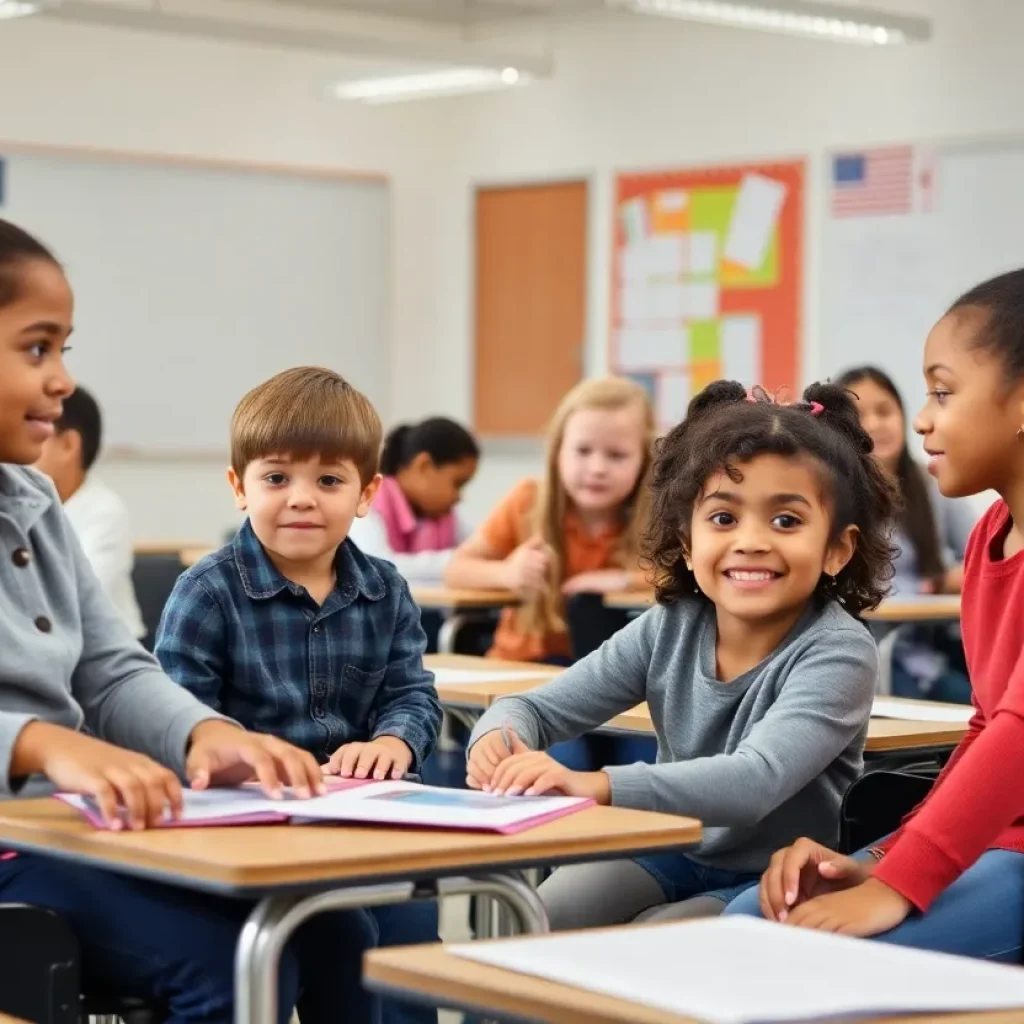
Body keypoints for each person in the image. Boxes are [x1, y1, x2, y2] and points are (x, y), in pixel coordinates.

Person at [0, 216, 373, 1023]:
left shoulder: (34, 503)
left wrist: (207, 736)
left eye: (65, 348)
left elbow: (110, 669)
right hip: (16, 849)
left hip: (65, 830)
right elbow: (58, 723)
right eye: (37, 349)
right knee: (227, 962)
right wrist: (37, 742)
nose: (62, 380)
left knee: (336, 927)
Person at [466, 381, 896, 928]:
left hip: (777, 871)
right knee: (542, 913)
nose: (751, 540)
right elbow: (537, 708)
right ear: (688, 543)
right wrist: (496, 738)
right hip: (676, 846)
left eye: (786, 520)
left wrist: (596, 786)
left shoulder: (838, 651)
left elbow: (754, 781)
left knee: (655, 941)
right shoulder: (670, 626)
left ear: (837, 549)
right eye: (723, 518)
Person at [725, 268, 1024, 963]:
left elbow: (1017, 733)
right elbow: (985, 727)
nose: (922, 418)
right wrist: (893, 851)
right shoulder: (990, 536)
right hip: (994, 840)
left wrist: (903, 880)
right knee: (749, 919)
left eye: (943, 392)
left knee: (793, 955)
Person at [155, 366, 444, 1024]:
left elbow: (412, 692)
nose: (302, 499)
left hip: (366, 823)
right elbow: (175, 717)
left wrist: (394, 740)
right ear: (239, 487)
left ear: (367, 493)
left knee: (408, 947)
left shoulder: (386, 589)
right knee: (345, 946)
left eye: (330, 481)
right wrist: (246, 762)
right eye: (277, 478)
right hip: (252, 830)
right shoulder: (208, 591)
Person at [445, 376, 656, 770]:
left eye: (616, 455)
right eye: (582, 451)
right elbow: (458, 568)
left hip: (614, 678)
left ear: (644, 460)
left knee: (645, 756)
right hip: (525, 670)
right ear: (558, 451)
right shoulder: (529, 500)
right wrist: (507, 573)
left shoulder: (654, 518)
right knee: (563, 760)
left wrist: (622, 580)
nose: (596, 468)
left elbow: (691, 574)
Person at [835, 366, 975, 702]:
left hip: (939, 647)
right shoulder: (834, 502)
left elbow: (984, 557)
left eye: (884, 411)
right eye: (859, 416)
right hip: (874, 658)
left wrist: (948, 578)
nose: (874, 424)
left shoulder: (935, 488)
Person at [34, 384, 145, 639]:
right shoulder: (23, 502)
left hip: (106, 653)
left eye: (36, 430)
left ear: (68, 445)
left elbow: (80, 597)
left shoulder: (105, 512)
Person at [348, 416, 478, 584]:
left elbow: (479, 546)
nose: (459, 497)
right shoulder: (369, 504)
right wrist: (456, 561)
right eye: (457, 483)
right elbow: (377, 566)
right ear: (424, 466)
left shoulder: (445, 517)